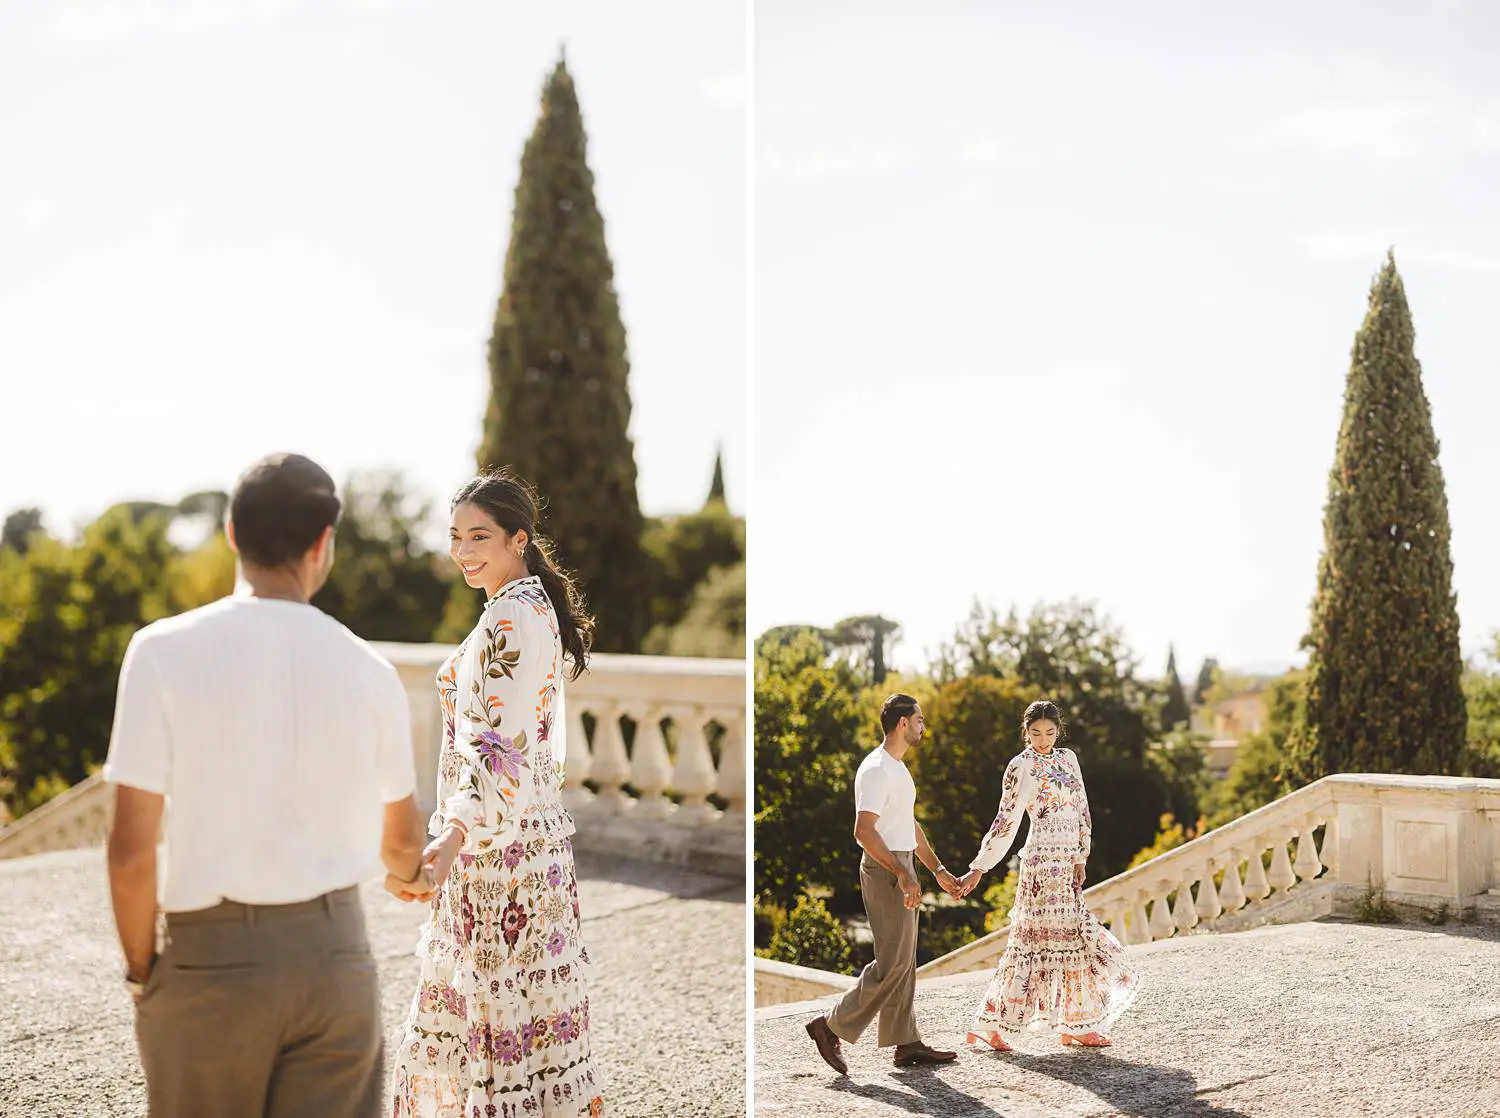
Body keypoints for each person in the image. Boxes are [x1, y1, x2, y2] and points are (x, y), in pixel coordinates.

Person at [104, 452, 432, 1118]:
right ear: (322, 545)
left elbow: (130, 853)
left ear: (231, 534)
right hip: (337, 960)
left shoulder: (159, 652)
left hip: (210, 960)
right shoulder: (370, 671)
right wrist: (414, 873)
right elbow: (401, 842)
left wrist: (143, 971)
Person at [389, 469, 605, 1118]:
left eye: (479, 536)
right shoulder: (530, 608)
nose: (463, 551)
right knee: (521, 1030)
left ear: (519, 538)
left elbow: (498, 746)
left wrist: (452, 839)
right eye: (455, 537)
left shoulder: (512, 617)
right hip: (527, 846)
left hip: (497, 856)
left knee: (491, 1020)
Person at [957, 699, 1139, 1051]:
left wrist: (1081, 855)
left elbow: (1082, 806)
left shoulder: (1068, 759)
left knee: (1073, 943)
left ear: (1059, 730)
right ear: (1025, 732)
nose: (1043, 740)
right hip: (1041, 862)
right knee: (1029, 945)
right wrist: (980, 865)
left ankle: (1077, 1025)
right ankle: (991, 1025)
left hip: (1068, 858)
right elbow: (1005, 820)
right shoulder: (1019, 766)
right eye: (1036, 733)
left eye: (1050, 732)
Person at [805, 693, 961, 1075]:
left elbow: (910, 827)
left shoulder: (898, 768)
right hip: (884, 867)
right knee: (892, 962)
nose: (924, 724)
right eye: (919, 718)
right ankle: (829, 1026)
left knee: (904, 960)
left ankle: (905, 1043)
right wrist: (901, 872)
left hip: (901, 862)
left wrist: (937, 870)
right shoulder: (875, 768)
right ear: (902, 723)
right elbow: (863, 831)